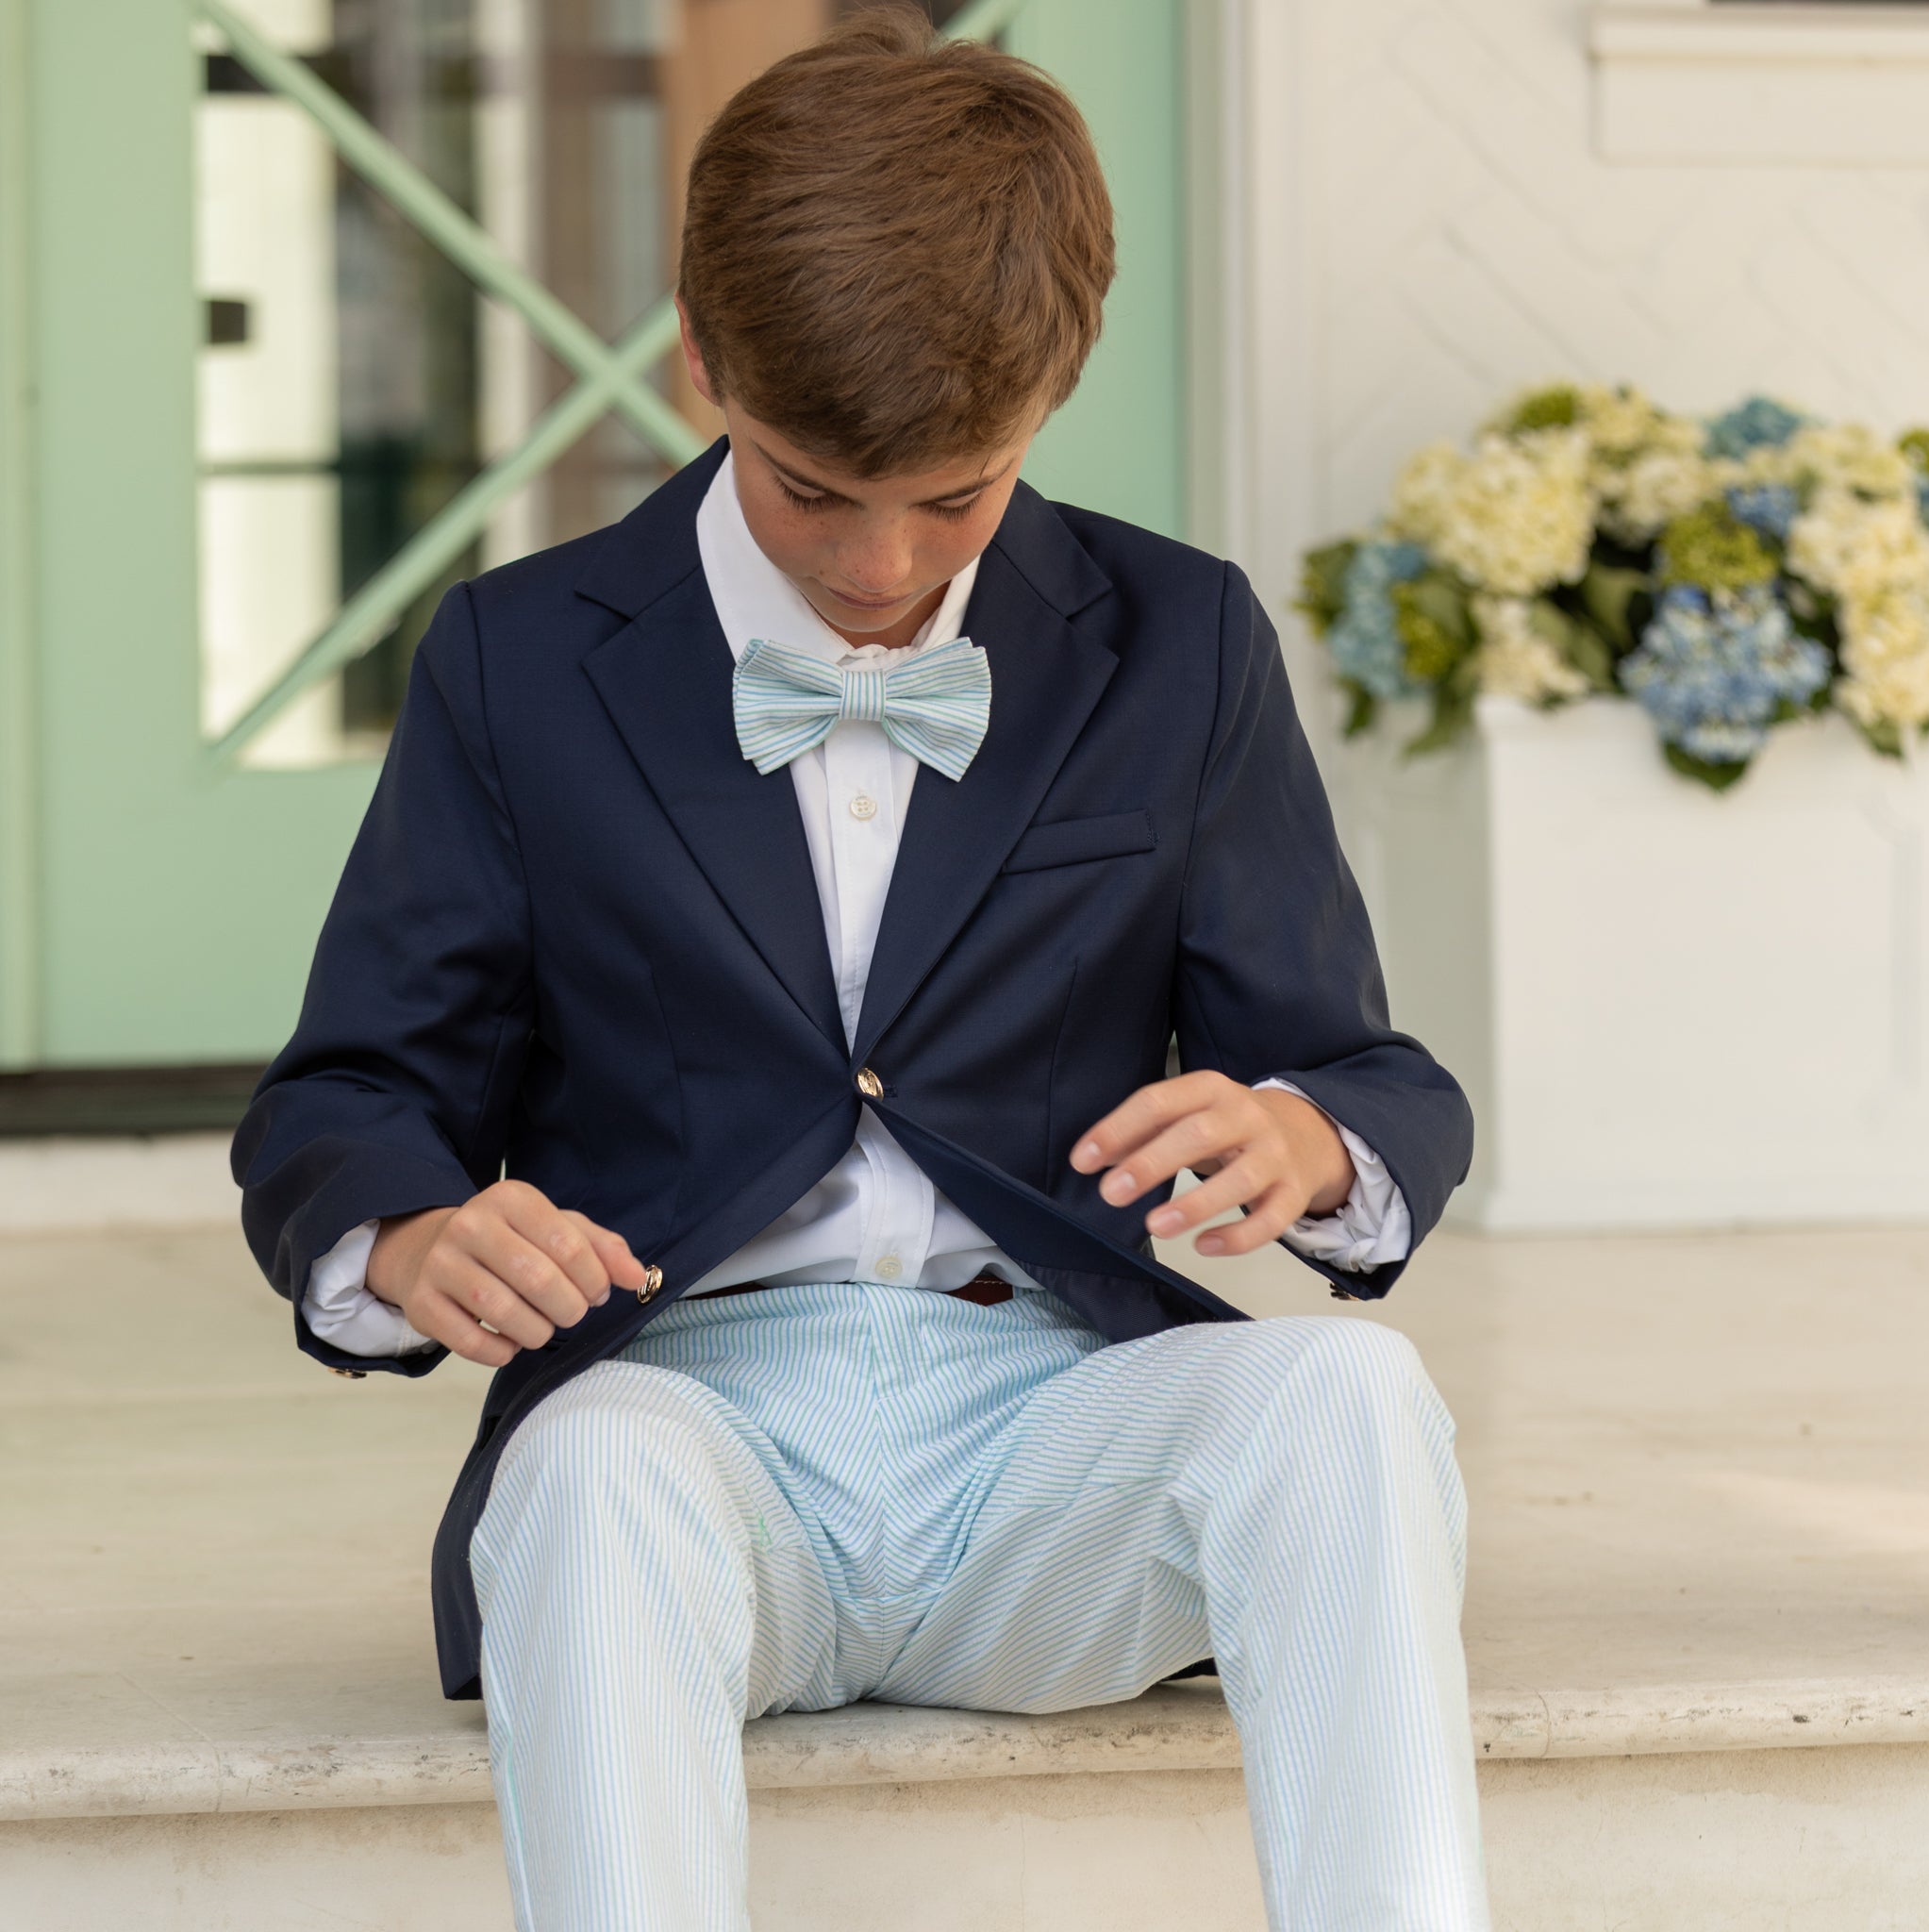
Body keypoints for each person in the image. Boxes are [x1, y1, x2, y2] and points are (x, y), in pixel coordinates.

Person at [232, 8, 1487, 1927]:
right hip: (691, 1441)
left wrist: (1303, 1140)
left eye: (958, 496)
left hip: (1050, 1443)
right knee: (583, 1474)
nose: (884, 569)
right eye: (815, 488)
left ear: (1052, 401)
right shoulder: (512, 660)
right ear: (704, 363)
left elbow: (1365, 1070)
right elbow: (346, 1095)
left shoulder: (1185, 640)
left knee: (1353, 1402)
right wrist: (406, 1241)